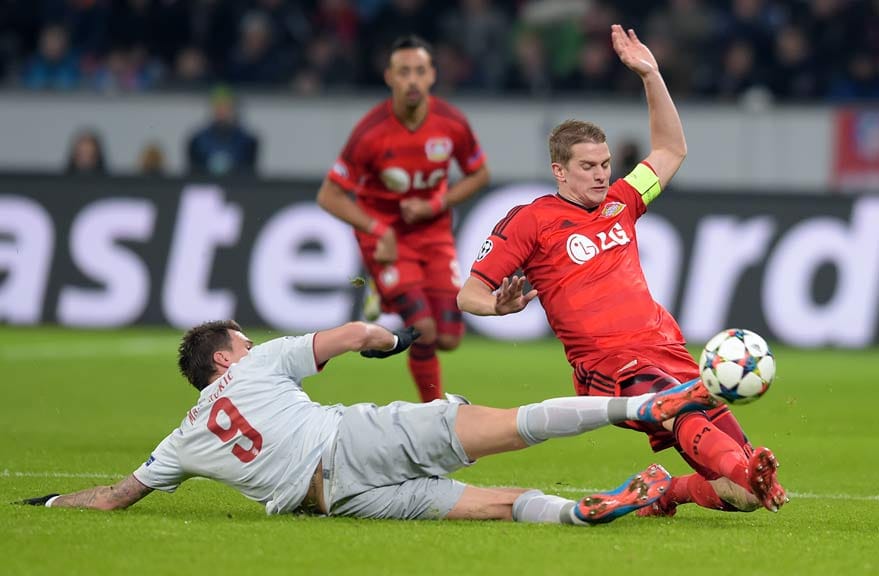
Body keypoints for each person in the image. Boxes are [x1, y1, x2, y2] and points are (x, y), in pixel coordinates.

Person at [457, 24, 787, 517]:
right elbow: (469, 294)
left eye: (605, 164)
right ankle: (746, 468)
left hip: (667, 352)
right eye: (588, 166)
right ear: (559, 171)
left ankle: (662, 491)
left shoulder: (622, 204)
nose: (601, 173)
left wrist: (651, 74)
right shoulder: (532, 220)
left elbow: (672, 150)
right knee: (705, 438)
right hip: (609, 368)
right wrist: (496, 306)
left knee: (740, 499)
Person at [19, 319, 720, 524]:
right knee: (511, 424)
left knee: (496, 508)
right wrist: (391, 339)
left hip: (337, 501)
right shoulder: (257, 367)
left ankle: (578, 515)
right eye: (243, 339)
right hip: (354, 437)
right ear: (226, 355)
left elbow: (115, 497)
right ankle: (643, 406)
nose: (252, 347)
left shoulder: (181, 438)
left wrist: (48, 502)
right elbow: (351, 333)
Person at [316, 35, 490, 403]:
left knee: (449, 337)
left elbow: (480, 174)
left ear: (432, 76)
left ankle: (386, 295)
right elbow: (328, 195)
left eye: (419, 71)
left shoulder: (451, 123)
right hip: (387, 240)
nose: (412, 80)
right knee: (423, 330)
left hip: (434, 234)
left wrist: (437, 203)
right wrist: (378, 229)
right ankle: (433, 413)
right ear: (389, 77)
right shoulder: (371, 132)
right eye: (404, 72)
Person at [187, 86, 259, 176]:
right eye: (218, 106)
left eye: (226, 106)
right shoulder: (197, 141)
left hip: (237, 188)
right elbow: (193, 175)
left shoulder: (248, 142)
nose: (222, 111)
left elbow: (249, 176)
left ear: (233, 108)